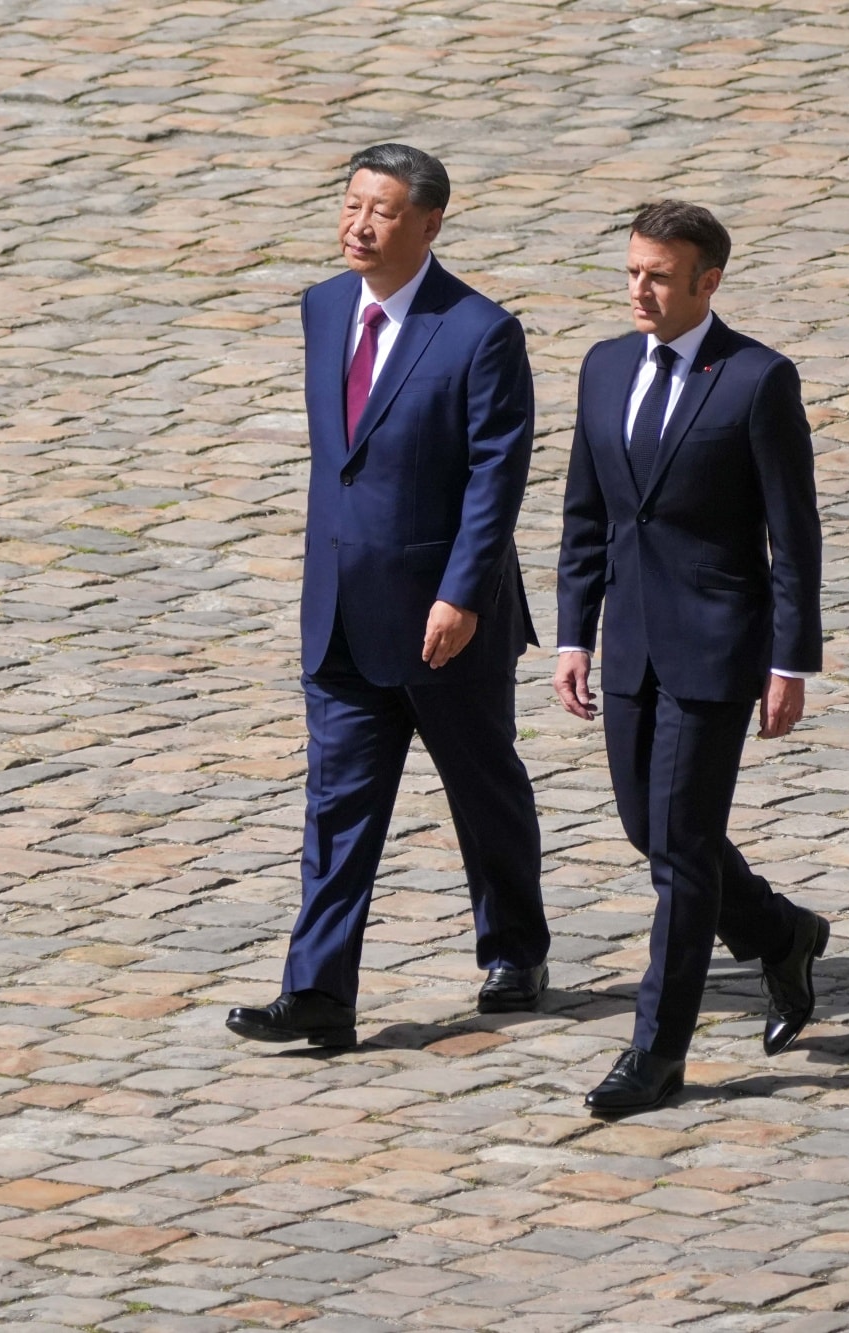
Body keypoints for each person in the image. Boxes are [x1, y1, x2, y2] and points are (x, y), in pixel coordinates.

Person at [227, 144, 550, 1050]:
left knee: (483, 791)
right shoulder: (324, 308)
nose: (359, 226)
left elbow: (497, 476)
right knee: (335, 806)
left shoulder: (480, 331)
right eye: (351, 204)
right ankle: (320, 989)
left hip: (446, 618)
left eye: (383, 211)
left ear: (430, 224)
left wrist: (460, 593)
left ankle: (516, 948)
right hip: (339, 609)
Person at [553, 200, 828, 1114]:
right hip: (628, 646)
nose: (639, 288)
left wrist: (789, 663)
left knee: (678, 849)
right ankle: (784, 933)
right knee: (658, 832)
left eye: (659, 276)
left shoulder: (755, 380)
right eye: (632, 270)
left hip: (716, 650)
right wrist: (572, 633)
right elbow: (586, 516)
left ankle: (656, 1053)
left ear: (707, 283)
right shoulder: (602, 369)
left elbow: (795, 534)